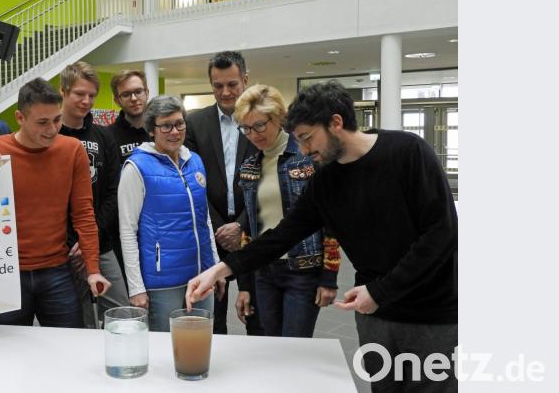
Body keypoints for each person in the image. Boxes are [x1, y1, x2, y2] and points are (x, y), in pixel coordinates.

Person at [186, 80, 458, 392]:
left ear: (336, 123)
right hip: (375, 313)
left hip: (432, 314)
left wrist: (380, 291)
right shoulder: (326, 179)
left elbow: (441, 234)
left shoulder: (408, 151)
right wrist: (221, 269)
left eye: (306, 138)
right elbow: (283, 235)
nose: (302, 150)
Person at [0, 77, 111, 328]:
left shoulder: (72, 150)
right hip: (7, 273)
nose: (52, 129)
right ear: (20, 118)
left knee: (68, 346)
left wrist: (93, 269)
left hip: (56, 270)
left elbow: (83, 213)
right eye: (42, 122)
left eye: (57, 120)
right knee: (11, 349)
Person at [233, 84, 341, 337]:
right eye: (246, 128)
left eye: (260, 125)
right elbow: (249, 227)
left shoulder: (308, 157)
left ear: (279, 117)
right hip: (264, 272)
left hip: (303, 271)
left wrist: (329, 276)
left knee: (295, 345)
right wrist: (245, 284)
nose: (253, 134)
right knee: (271, 345)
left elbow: (328, 220)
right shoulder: (250, 165)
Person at [118, 96, 225, 332]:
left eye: (179, 123)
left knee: (199, 338)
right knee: (165, 349)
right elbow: (127, 230)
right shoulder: (136, 167)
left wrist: (215, 267)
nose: (174, 131)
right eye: (166, 125)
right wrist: (136, 287)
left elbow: (204, 218)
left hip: (201, 274)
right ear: (151, 130)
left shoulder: (195, 161)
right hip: (162, 281)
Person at [184, 50, 262, 336]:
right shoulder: (195, 123)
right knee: (211, 316)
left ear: (245, 79)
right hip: (210, 231)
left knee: (256, 312)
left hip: (253, 228)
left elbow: (266, 181)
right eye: (218, 86)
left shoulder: (261, 121)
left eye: (232, 84)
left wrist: (240, 224)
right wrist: (220, 228)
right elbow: (193, 181)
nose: (226, 92)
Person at [57, 62, 128, 327]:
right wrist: (72, 242)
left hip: (100, 243)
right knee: (80, 320)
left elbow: (113, 193)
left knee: (122, 312)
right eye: (79, 94)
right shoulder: (49, 136)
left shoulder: (103, 136)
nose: (86, 101)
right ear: (63, 91)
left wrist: (90, 236)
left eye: (91, 95)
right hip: (64, 249)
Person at [107, 70, 152, 163]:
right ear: (117, 101)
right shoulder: (108, 137)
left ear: (147, 93)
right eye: (126, 94)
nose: (134, 98)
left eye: (138, 91)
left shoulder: (161, 131)